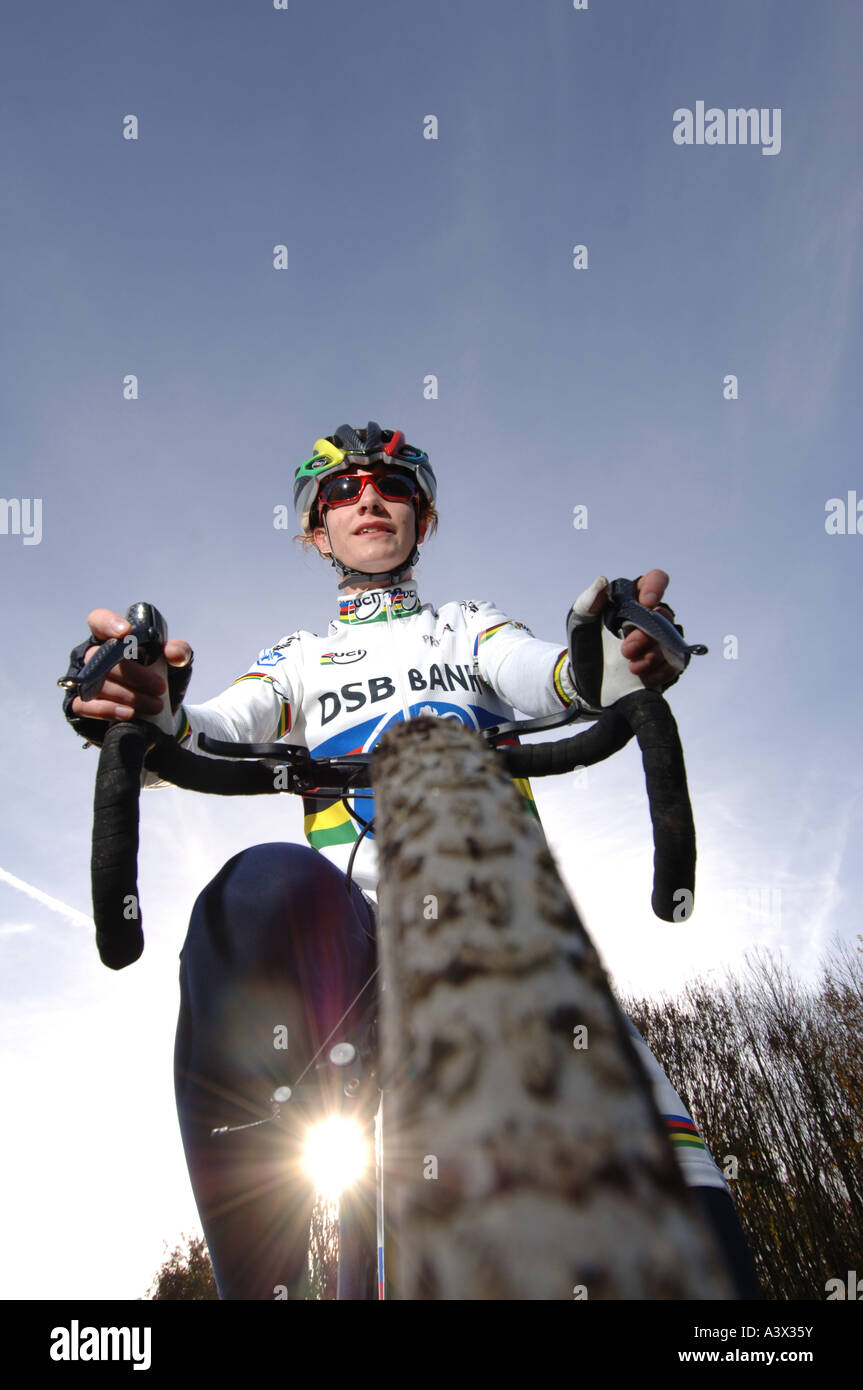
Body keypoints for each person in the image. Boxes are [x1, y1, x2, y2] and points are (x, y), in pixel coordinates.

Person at [63, 421, 759, 1299]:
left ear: (420, 517)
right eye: (342, 491)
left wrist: (625, 658)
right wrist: (142, 702)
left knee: (708, 1270)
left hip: (511, 930)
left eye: (389, 485)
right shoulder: (300, 659)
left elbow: (558, 677)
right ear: (317, 531)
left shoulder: (467, 627)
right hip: (353, 946)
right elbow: (210, 730)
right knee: (252, 892)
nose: (368, 499)